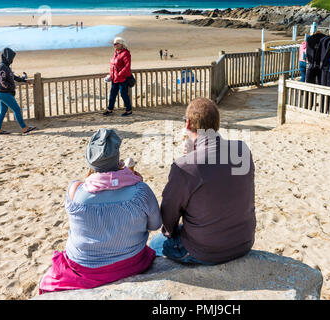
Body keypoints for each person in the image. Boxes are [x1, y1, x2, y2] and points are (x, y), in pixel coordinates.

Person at [39, 128, 162, 294]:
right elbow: (155, 225)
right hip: (131, 262)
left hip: (84, 267)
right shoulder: (140, 190)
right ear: (118, 159)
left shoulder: (75, 192)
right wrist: (131, 178)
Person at [149, 97, 256, 265]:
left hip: (205, 251)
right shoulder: (242, 150)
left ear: (188, 123)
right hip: (244, 243)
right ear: (217, 124)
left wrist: (187, 160)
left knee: (155, 243)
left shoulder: (184, 167)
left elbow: (168, 221)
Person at [0, 48, 36, 135]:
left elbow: (13, 77)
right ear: (7, 57)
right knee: (17, 109)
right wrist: (10, 88)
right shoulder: (2, 67)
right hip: (4, 93)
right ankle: (24, 128)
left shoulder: (6, 66)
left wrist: (24, 80)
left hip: (2, 92)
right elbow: (2, 81)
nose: (12, 60)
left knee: (3, 111)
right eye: (11, 58)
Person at [103, 37, 133, 117]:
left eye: (116, 43)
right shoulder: (116, 53)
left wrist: (119, 74)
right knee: (112, 94)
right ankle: (109, 109)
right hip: (114, 78)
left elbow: (127, 66)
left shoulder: (126, 53)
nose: (114, 45)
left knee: (123, 94)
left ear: (121, 44)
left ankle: (129, 110)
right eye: (114, 44)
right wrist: (111, 75)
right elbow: (113, 66)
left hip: (122, 79)